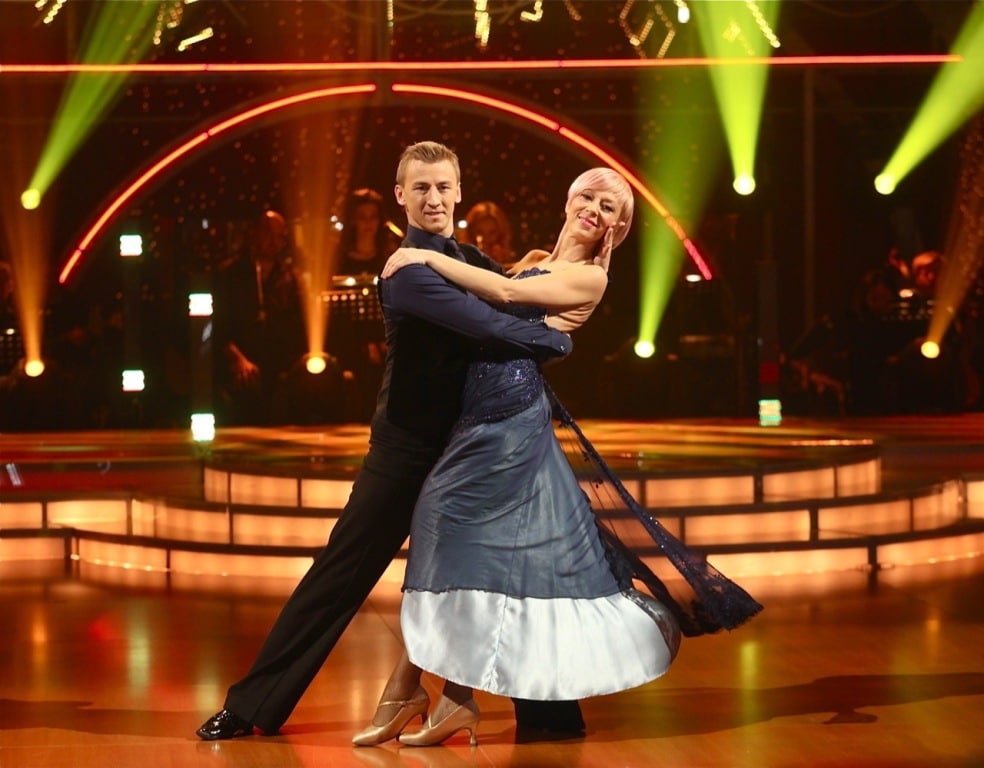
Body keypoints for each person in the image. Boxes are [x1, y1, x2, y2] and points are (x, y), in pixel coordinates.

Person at [353, 168, 762, 747]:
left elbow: (504, 296)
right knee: (465, 551)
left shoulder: (590, 278)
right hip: (476, 417)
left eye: (609, 207)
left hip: (509, 424)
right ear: (570, 202)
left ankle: (419, 692)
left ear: (618, 227)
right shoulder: (535, 259)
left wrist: (422, 258)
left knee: (443, 528)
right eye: (588, 197)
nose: (595, 209)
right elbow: (482, 306)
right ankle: (445, 697)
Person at [195, 141, 575, 742]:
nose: (434, 198)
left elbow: (512, 293)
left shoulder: (469, 258)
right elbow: (495, 323)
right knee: (341, 573)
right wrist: (554, 337)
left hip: (471, 448)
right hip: (407, 449)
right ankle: (250, 705)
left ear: (458, 191)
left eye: (443, 186)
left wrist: (541, 273)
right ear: (401, 196)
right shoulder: (407, 271)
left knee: (512, 568)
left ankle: (550, 717)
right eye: (421, 188)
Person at [212, 209, 306, 425]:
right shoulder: (230, 274)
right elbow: (217, 325)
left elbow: (298, 325)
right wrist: (237, 358)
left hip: (279, 370)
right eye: (268, 233)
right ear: (254, 233)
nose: (273, 241)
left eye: (279, 236)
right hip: (240, 367)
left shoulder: (291, 278)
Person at [329, 188, 401, 420]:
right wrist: (365, 343)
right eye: (362, 217)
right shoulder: (339, 261)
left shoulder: (390, 257)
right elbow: (337, 314)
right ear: (353, 220)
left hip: (386, 339)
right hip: (349, 342)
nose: (368, 223)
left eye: (373, 217)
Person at [458, 200, 515, 267]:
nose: (486, 239)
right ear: (471, 233)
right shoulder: (460, 260)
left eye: (492, 233)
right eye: (480, 232)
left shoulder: (513, 263)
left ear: (501, 233)